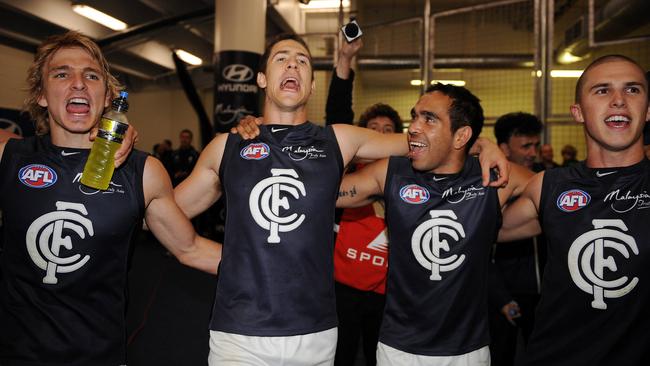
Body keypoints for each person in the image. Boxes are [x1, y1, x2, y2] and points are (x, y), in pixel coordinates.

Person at [174, 33, 508, 365]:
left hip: (315, 334)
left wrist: (481, 145)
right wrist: (215, 256)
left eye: (303, 61)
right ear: (261, 78)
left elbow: (429, 142)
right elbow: (164, 212)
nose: (293, 63)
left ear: (312, 85)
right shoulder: (228, 146)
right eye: (282, 58)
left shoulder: (339, 140)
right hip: (239, 334)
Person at [0, 31, 222, 365]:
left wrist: (278, 267)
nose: (78, 83)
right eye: (62, 74)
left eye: (91, 76)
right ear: (41, 95)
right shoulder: (9, 156)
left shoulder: (143, 171)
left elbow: (189, 248)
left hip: (100, 356)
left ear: (107, 97)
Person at [336, 82, 533, 365]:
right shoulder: (392, 172)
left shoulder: (493, 176)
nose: (414, 126)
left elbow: (555, 202)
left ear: (460, 135)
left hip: (467, 351)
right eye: (414, 116)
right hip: (398, 349)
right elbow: (325, 191)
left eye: (429, 119)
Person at [499, 54, 650, 366]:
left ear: (648, 111)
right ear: (578, 113)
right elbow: (480, 230)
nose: (619, 100)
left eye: (633, 90)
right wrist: (483, 151)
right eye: (603, 90)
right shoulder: (549, 186)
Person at [324, 37, 401, 366]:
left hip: (385, 295)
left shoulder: (405, 182)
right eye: (373, 129)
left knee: (378, 358)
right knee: (339, 357)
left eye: (389, 130)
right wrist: (344, 62)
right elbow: (338, 116)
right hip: (340, 290)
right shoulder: (346, 174)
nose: (381, 136)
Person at [490, 112, 547, 365]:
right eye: (525, 146)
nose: (532, 152)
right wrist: (501, 298)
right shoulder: (490, 189)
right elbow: (478, 250)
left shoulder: (550, 183)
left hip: (543, 298)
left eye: (535, 145)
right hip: (503, 297)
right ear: (504, 148)